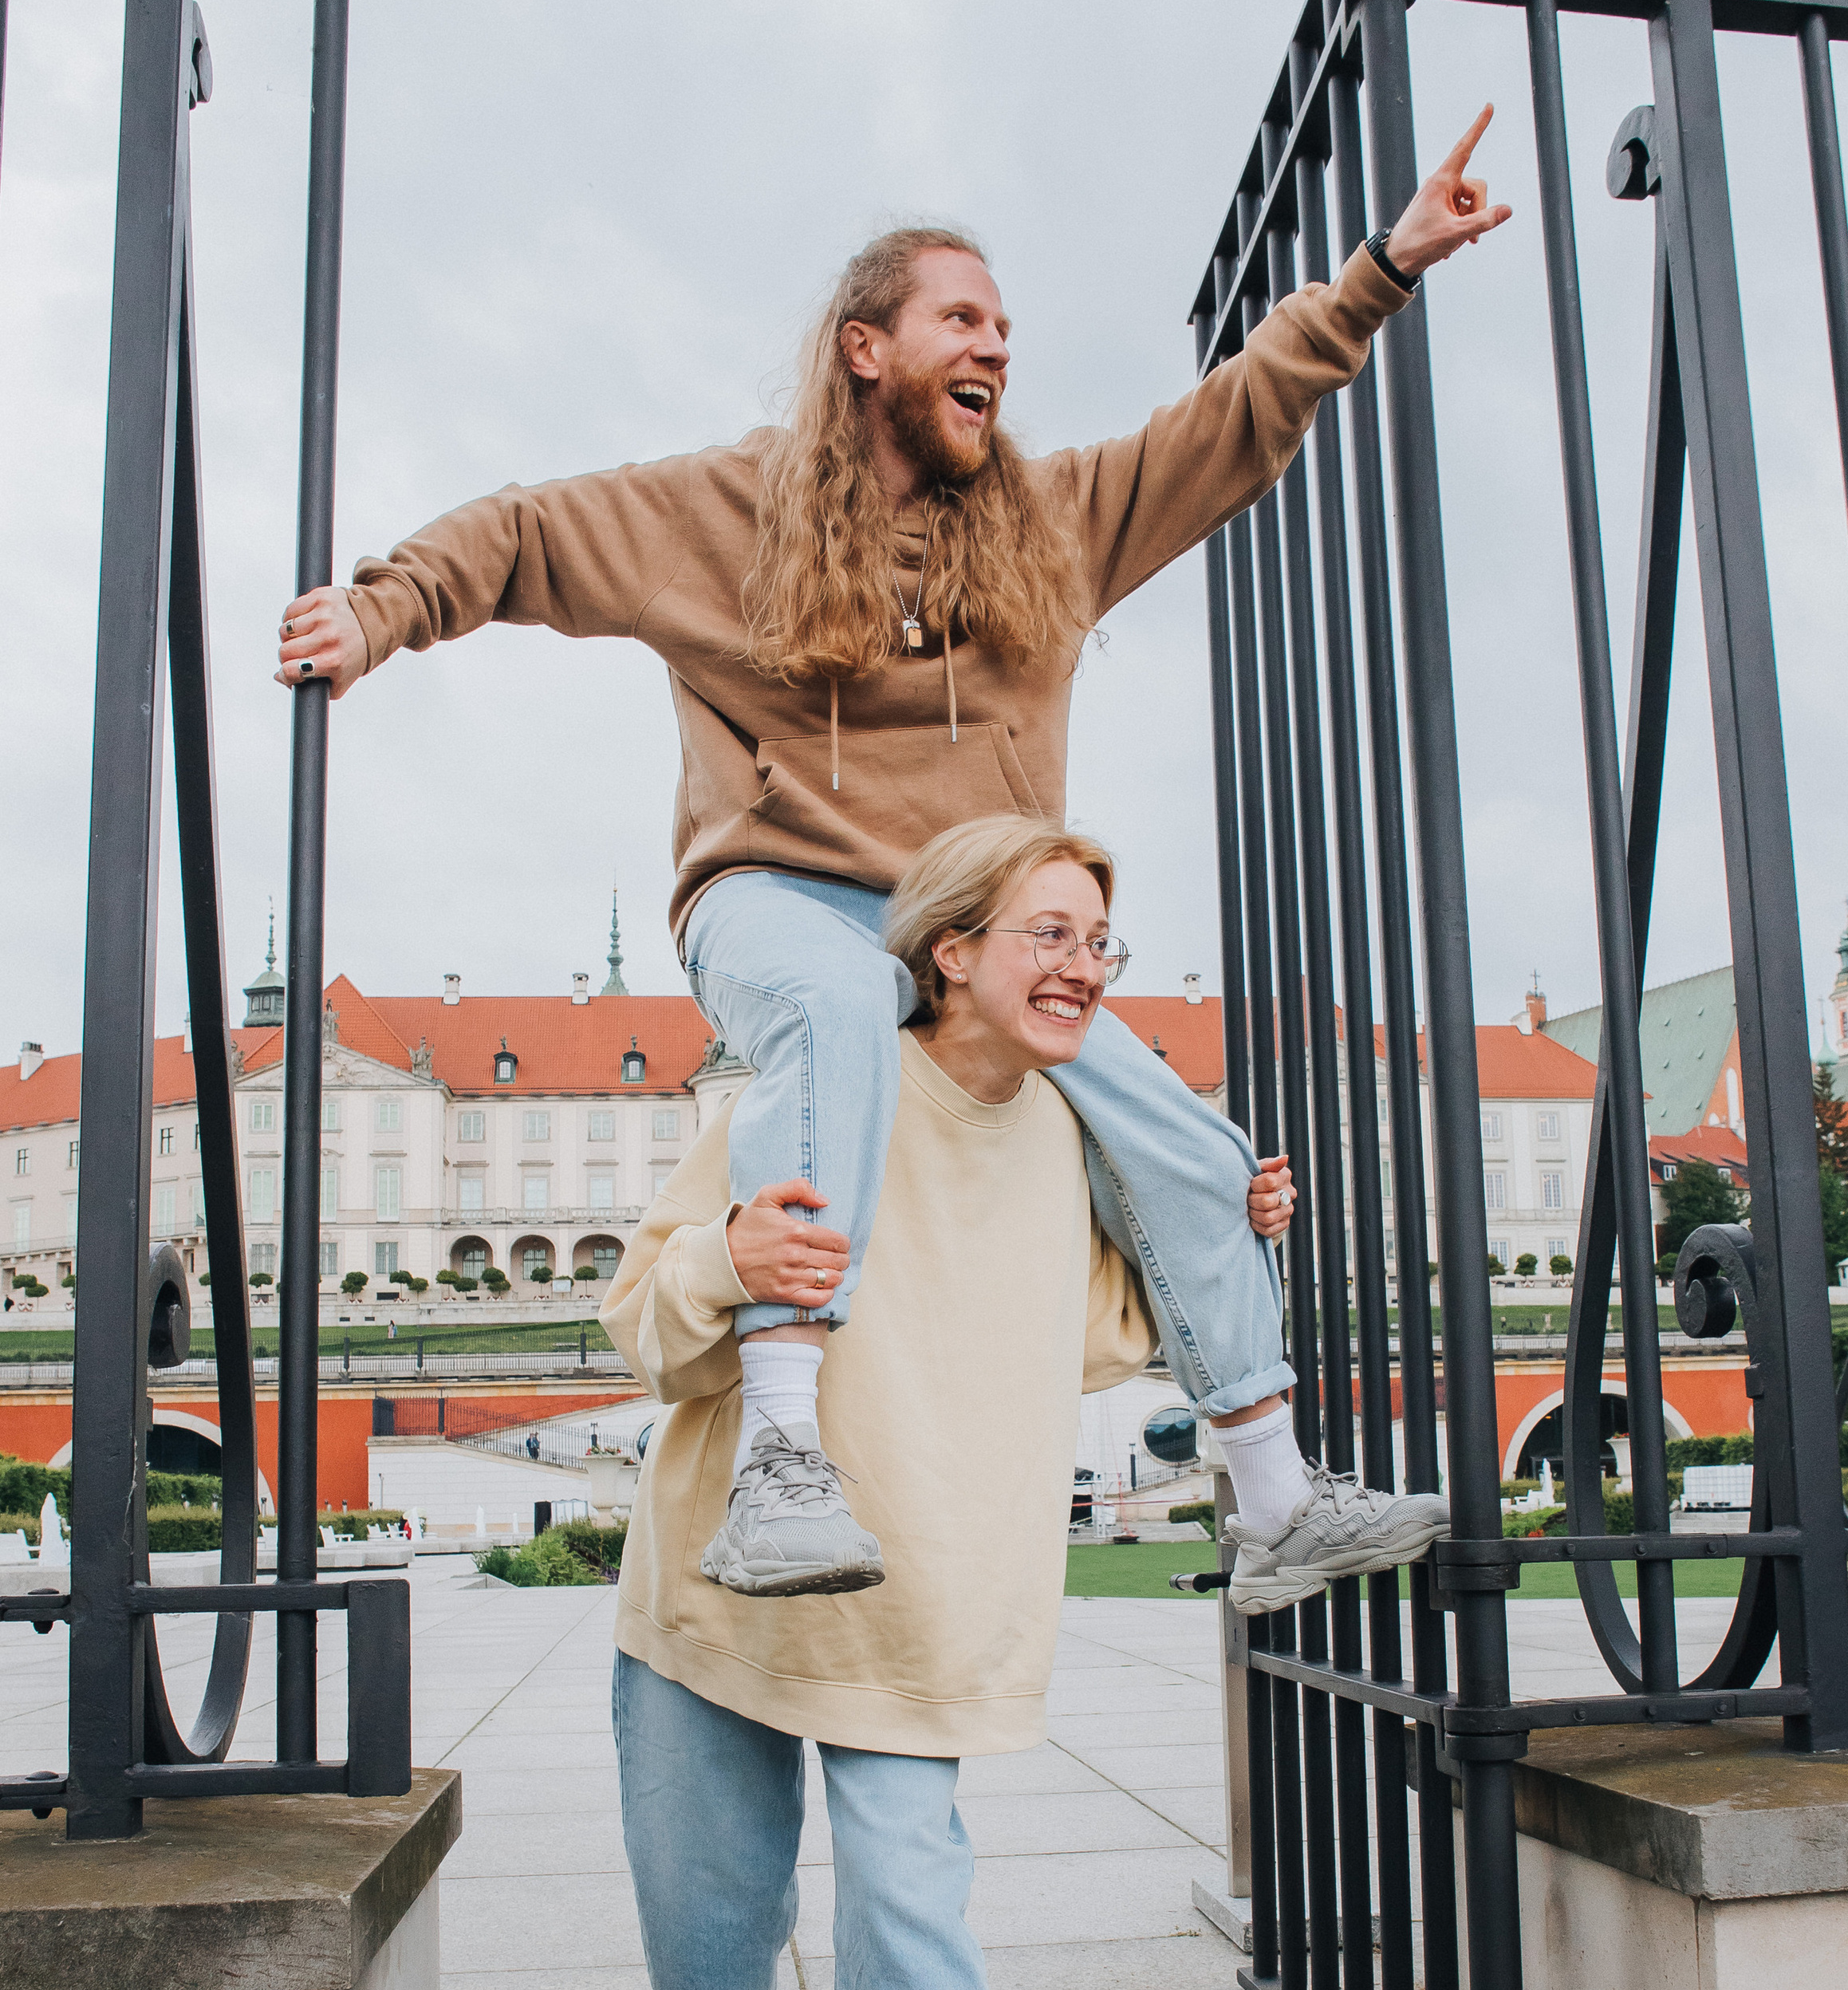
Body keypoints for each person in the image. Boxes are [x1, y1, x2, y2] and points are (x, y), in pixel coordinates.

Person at [278, 117, 1505, 1610]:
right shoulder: (721, 511)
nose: (997, 345)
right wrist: (383, 609)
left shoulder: (1049, 524)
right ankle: (783, 1462)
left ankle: (1272, 1498)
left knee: (1198, 1148)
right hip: (774, 894)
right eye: (963, 318)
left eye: (1006, 327)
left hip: (975, 925)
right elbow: (533, 533)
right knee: (838, 1007)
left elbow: (1232, 422)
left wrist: (1379, 271)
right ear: (867, 349)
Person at [599, 818, 1295, 1990]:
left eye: (1097, 945)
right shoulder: (808, 1087)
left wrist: (1226, 1221)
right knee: (710, 1921)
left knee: (911, 1925)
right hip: (721, 1589)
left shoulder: (1067, 1134)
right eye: (1043, 933)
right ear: (949, 954)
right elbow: (633, 1316)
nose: (1079, 969)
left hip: (921, 1609)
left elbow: (1098, 1333)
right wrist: (724, 1263)